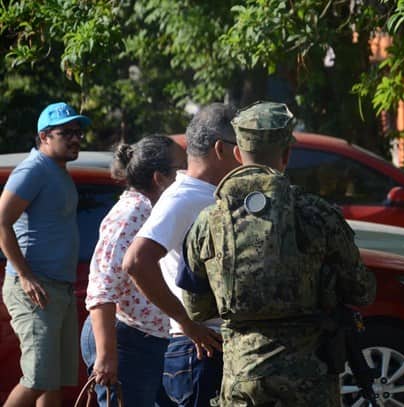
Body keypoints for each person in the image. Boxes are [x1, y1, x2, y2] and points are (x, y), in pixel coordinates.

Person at [181, 101, 376, 406]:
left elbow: (196, 308)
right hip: (310, 378)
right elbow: (361, 290)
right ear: (286, 155)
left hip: (242, 377)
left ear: (237, 154)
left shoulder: (208, 222)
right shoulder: (319, 215)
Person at [122, 103, 240, 406]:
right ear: (220, 149)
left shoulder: (208, 192)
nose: (245, 155)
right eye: (240, 145)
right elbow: (136, 262)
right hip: (198, 350)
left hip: (212, 347)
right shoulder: (183, 197)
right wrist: (186, 323)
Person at [80, 135, 187, 406]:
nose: (187, 174)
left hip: (149, 341)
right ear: (159, 178)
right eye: (181, 168)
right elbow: (102, 288)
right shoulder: (131, 212)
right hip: (125, 341)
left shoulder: (157, 210)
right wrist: (106, 356)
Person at [0, 102, 91, 407]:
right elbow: (1, 221)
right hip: (35, 290)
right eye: (67, 132)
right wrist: (24, 275)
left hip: (60, 290)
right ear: (44, 136)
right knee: (38, 378)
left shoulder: (58, 171)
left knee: (55, 382)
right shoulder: (33, 169)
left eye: (78, 132)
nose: (76, 138)